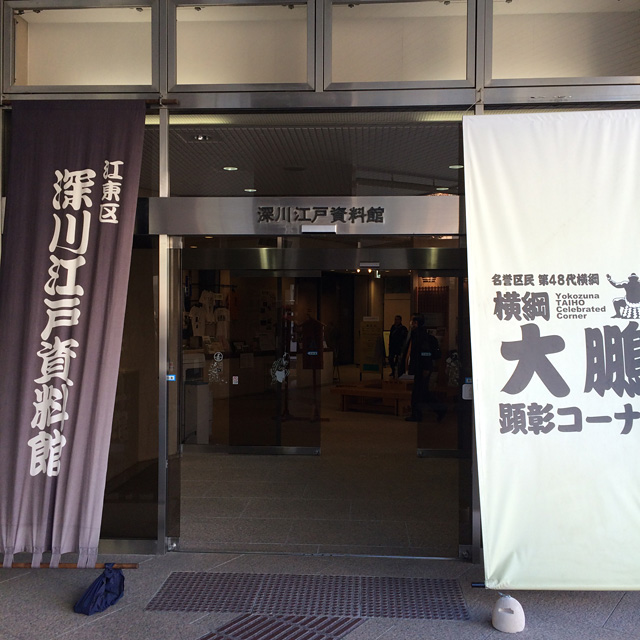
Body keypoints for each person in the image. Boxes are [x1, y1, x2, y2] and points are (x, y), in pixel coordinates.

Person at [399, 314, 444, 422]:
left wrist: (426, 367)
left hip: (422, 368)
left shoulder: (419, 335)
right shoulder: (417, 334)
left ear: (416, 323)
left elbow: (425, 352)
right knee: (422, 392)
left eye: (412, 321)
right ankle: (438, 409)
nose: (411, 323)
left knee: (419, 393)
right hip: (421, 367)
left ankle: (433, 411)